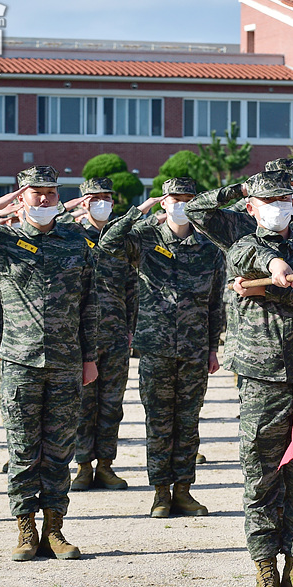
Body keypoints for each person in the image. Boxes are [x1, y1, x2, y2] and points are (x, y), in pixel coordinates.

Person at [189, 171, 293, 587]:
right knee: (262, 474)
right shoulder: (240, 240)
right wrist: (274, 270)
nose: (279, 206)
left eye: (284, 198)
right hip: (261, 374)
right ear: (251, 206)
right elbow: (242, 258)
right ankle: (265, 570)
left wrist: (273, 293)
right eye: (268, 199)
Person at [0, 165, 99, 561]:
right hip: (20, 360)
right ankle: (26, 529)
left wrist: (90, 357)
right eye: (34, 192)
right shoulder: (1, 240)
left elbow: (88, 305)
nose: (44, 199)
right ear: (21, 195)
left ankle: (55, 529)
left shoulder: (76, 241)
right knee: (24, 449)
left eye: (50, 192)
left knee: (60, 449)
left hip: (65, 361)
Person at [98, 176, 225, 517]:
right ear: (164, 202)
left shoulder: (209, 248)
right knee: (158, 422)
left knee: (188, 423)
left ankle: (183, 490)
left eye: (188, 198)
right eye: (174, 198)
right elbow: (107, 243)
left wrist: (213, 346)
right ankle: (160, 493)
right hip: (155, 347)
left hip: (195, 349)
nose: (181, 204)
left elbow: (215, 303)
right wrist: (137, 212)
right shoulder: (144, 238)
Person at [63, 178, 137, 493]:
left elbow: (133, 287)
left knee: (110, 404)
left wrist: (131, 329)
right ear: (83, 202)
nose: (102, 202)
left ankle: (106, 465)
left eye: (107, 197)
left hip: (116, 336)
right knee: (82, 404)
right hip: (81, 336)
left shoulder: (122, 239)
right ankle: (82, 466)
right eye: (95, 198)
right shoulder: (71, 235)